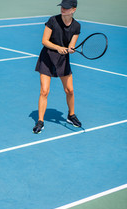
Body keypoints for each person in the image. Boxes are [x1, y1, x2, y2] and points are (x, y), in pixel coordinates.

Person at [33, 0, 82, 134]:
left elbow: (71, 44)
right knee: (44, 91)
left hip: (62, 60)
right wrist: (58, 48)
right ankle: (40, 121)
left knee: (70, 90)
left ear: (73, 9)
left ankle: (71, 115)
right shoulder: (53, 21)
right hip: (47, 58)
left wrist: (70, 49)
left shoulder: (76, 26)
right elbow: (44, 41)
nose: (63, 9)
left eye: (66, 8)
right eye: (62, 7)